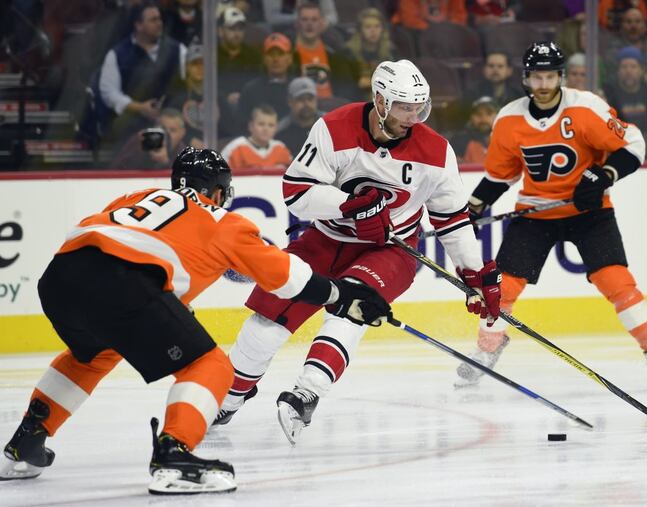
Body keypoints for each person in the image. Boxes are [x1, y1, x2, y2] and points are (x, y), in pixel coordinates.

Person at [0, 147, 389, 492]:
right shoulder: (224, 220)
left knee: (93, 354)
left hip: (61, 276)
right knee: (210, 365)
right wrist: (343, 293)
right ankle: (173, 455)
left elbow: (121, 239)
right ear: (219, 192)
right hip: (125, 279)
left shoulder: (138, 195)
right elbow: (288, 278)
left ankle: (26, 440)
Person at [212, 59, 502, 445]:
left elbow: (451, 220)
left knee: (353, 306)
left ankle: (307, 392)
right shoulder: (334, 129)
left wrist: (475, 274)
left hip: (390, 250)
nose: (413, 117)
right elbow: (296, 193)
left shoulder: (435, 151)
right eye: (404, 107)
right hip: (325, 240)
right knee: (268, 318)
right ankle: (230, 396)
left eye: (419, 107)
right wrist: (349, 205)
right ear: (380, 101)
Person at [455, 42, 647, 391]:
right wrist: (474, 204)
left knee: (616, 281)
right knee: (501, 287)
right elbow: (501, 175)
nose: (543, 85)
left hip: (589, 212)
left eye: (550, 76)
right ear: (526, 79)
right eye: (536, 77)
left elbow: (633, 144)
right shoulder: (510, 119)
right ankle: (488, 348)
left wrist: (604, 176)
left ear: (560, 77)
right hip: (535, 213)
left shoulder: (586, 108)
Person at [95, 0, 186, 145]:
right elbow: (109, 93)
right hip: (131, 123)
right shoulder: (118, 54)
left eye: (159, 19)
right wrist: (139, 108)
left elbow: (188, 83)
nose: (159, 23)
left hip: (170, 121)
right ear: (138, 25)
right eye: (153, 20)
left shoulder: (177, 50)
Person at [293, 2, 360, 101]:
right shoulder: (289, 53)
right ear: (297, 23)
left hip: (332, 107)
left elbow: (347, 86)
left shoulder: (334, 51)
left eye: (314, 19)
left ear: (322, 23)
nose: (309, 24)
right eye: (304, 19)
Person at [216, 6, 262, 137]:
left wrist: (244, 96)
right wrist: (224, 97)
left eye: (240, 28)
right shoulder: (212, 56)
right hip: (220, 111)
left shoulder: (254, 56)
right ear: (220, 31)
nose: (236, 33)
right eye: (231, 28)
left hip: (248, 109)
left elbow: (259, 83)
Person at [238, 32, 297, 125]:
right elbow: (242, 125)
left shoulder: (297, 89)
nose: (275, 59)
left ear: (290, 58)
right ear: (264, 58)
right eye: (271, 54)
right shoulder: (251, 90)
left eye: (280, 54)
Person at [603, 46, 647, 132]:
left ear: (642, 70)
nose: (628, 71)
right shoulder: (610, 94)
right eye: (624, 67)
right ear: (618, 71)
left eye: (633, 66)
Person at [110, 108, 188, 168]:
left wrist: (165, 163)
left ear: (182, 133)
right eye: (163, 128)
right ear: (155, 127)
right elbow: (116, 169)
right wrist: (140, 152)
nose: (166, 134)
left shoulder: (185, 154)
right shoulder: (140, 140)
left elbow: (183, 182)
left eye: (173, 130)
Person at [344, 7, 396, 97]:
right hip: (357, 99)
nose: (373, 31)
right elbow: (345, 86)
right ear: (360, 31)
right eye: (368, 27)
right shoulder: (348, 52)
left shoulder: (391, 51)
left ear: (382, 29)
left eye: (377, 26)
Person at [222, 105, 293, 169]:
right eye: (261, 124)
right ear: (251, 126)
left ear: (276, 128)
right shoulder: (235, 147)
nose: (266, 129)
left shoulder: (281, 148)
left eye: (271, 125)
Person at [277, 76, 323, 154]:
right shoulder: (280, 131)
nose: (306, 104)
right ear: (290, 101)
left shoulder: (329, 125)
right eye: (300, 99)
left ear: (316, 99)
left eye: (310, 99)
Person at [451, 96, 498, 164]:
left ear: (497, 115)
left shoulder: (506, 139)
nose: (483, 118)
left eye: (489, 113)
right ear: (471, 117)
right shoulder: (458, 140)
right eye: (478, 114)